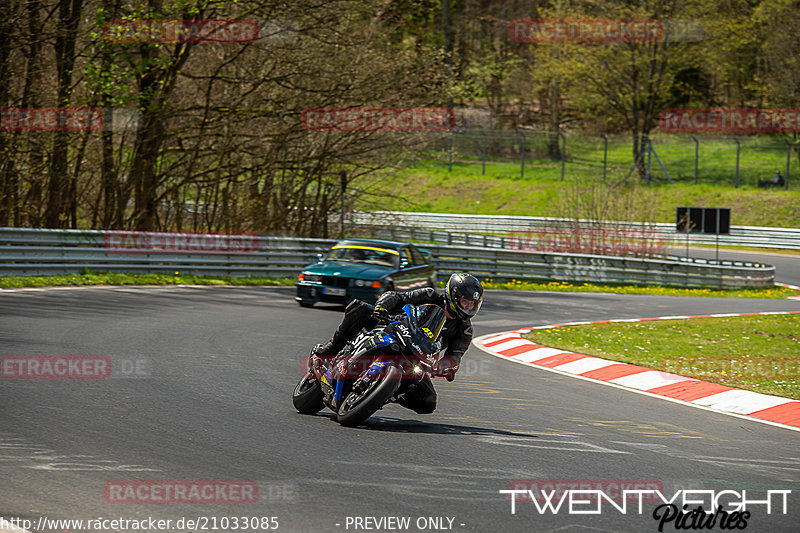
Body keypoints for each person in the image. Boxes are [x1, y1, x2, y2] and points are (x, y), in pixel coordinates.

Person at [310, 273, 484, 414]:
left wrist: (448, 367)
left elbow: (455, 354)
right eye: (465, 303)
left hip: (417, 358)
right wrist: (382, 307)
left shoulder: (464, 331)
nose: (468, 308)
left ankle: (385, 393)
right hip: (393, 330)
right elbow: (398, 297)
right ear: (453, 295)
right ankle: (331, 348)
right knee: (360, 309)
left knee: (428, 402)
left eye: (472, 305)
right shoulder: (429, 296)